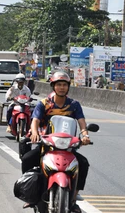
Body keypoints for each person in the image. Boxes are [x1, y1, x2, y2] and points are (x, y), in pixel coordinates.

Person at [22, 71, 90, 213]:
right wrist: (34, 133)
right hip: (47, 145)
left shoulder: (74, 105)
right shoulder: (44, 104)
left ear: (68, 87)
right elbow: (35, 121)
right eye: (58, 84)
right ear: (53, 86)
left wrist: (85, 135)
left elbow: (82, 123)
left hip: (68, 147)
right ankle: (31, 194)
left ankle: (74, 198)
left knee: (83, 164)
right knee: (27, 159)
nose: (61, 87)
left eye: (64, 85)